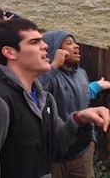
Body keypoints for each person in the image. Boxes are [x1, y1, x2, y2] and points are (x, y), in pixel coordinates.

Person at [0, 18, 110, 178]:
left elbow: (58, 146)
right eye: (34, 42)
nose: (45, 46)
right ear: (9, 52)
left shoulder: (45, 99)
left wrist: (81, 119)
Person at [39, 30, 110, 178]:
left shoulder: (81, 74)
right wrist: (55, 65)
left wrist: (97, 86)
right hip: (55, 155)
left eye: (76, 43)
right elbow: (35, 92)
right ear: (54, 49)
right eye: (69, 43)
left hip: (83, 151)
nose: (76, 46)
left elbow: (83, 94)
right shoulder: (47, 76)